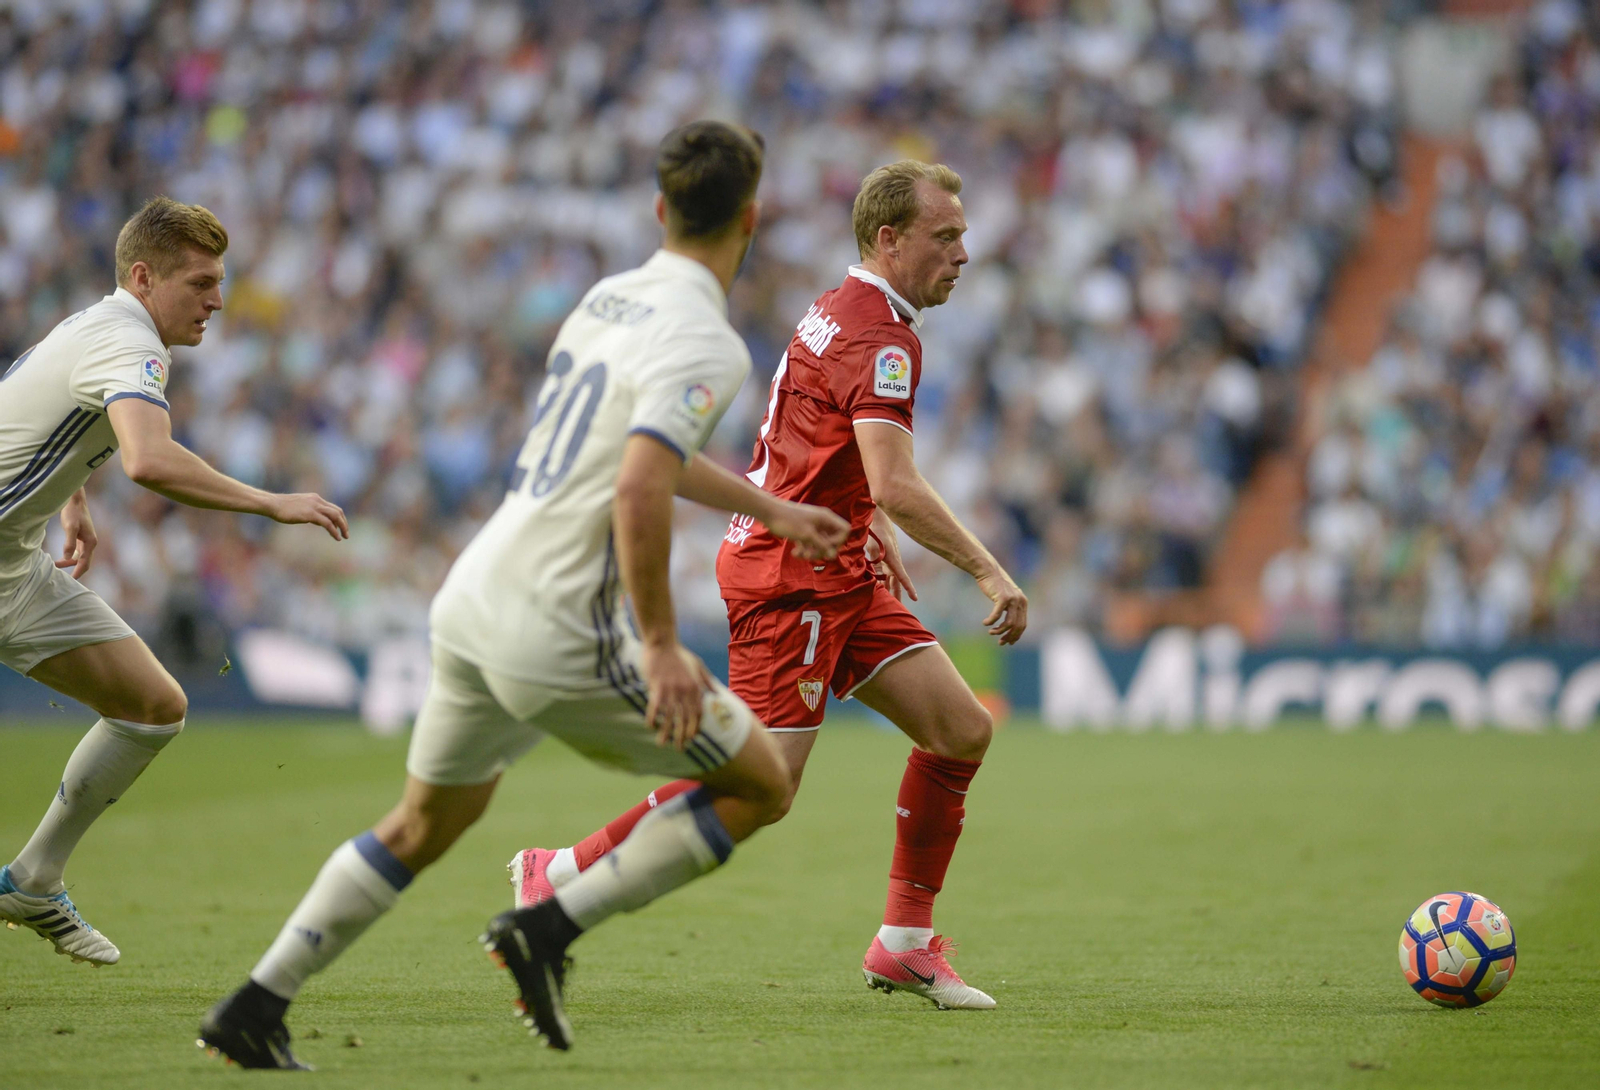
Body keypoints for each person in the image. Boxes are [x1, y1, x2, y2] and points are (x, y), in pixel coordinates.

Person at [198, 120, 850, 1068]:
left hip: (472, 596)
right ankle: (549, 928)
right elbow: (637, 481)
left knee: (425, 823)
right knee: (761, 781)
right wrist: (663, 646)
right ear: (752, 217)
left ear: (660, 208)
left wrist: (767, 508)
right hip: (555, 622)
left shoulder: (606, 298)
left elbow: (639, 453)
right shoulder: (708, 340)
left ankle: (255, 1004)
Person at [510, 161, 1028, 1010]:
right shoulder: (880, 337)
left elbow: (819, 440)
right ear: (889, 240)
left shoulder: (842, 307)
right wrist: (985, 566)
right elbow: (891, 476)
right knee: (761, 788)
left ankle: (902, 942)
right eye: (947, 236)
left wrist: (872, 522)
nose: (964, 253)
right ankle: (559, 871)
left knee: (959, 730)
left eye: (963, 235)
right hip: (793, 580)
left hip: (836, 564)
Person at [0, 198, 349, 968]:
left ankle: (32, 881)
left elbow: (36, 406)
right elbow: (149, 459)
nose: (218, 300)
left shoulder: (101, 324)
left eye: (220, 282)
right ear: (144, 276)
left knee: (154, 709)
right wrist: (271, 501)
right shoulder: (131, 343)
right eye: (200, 282)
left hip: (15, 565)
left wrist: (70, 498)